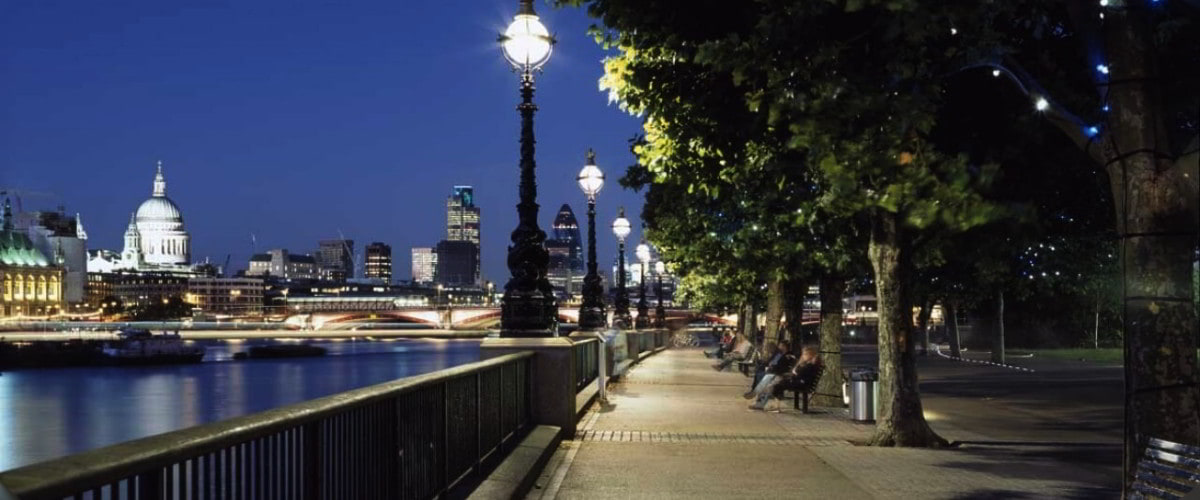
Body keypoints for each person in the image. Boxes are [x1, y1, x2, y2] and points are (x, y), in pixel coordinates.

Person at [746, 341, 796, 409]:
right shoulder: (779, 354)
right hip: (773, 373)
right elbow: (771, 362)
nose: (779, 347)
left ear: (784, 347)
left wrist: (772, 367)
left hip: (780, 375)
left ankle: (759, 404)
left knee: (768, 386)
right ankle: (757, 401)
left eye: (780, 346)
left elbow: (785, 368)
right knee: (762, 383)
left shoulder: (789, 356)